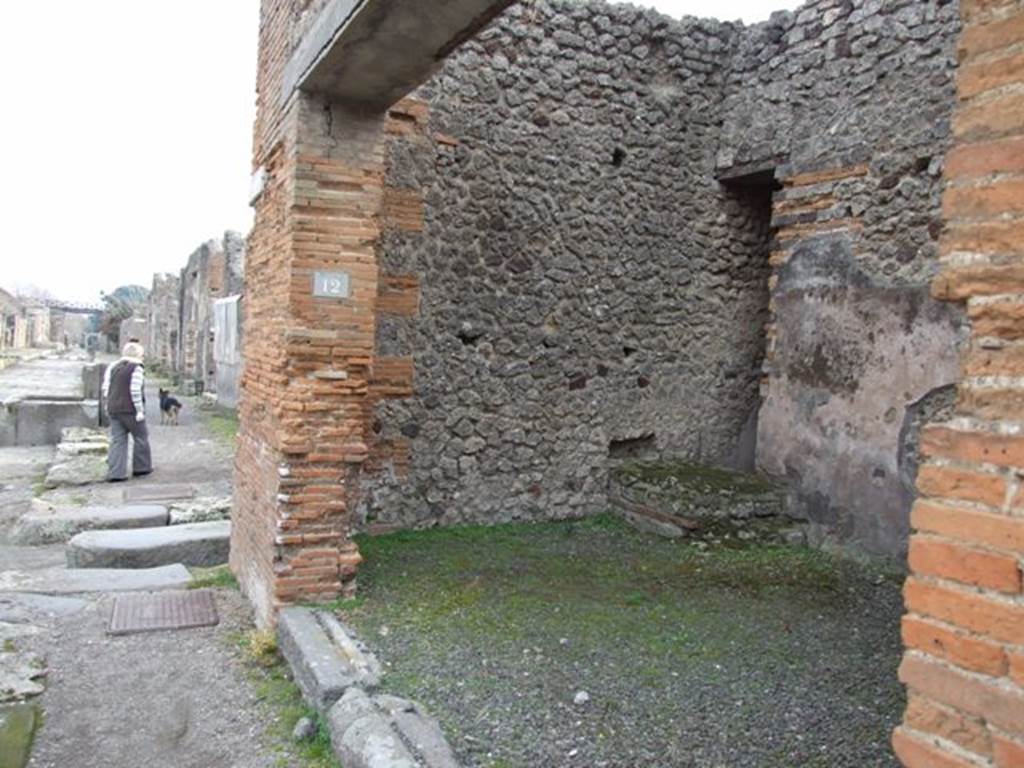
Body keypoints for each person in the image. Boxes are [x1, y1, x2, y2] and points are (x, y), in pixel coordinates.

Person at [101, 341, 152, 481]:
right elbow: (135, 390)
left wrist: (107, 405)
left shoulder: (113, 366)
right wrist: (139, 410)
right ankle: (141, 468)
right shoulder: (136, 368)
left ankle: (116, 473)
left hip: (113, 408)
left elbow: (106, 388)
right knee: (141, 437)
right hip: (130, 410)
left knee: (118, 440)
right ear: (138, 354)